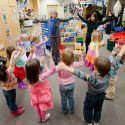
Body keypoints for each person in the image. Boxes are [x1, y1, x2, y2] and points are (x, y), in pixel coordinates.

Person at [58, 45, 125, 125]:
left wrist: (66, 68)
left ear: (96, 68)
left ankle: (88, 121)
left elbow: (79, 73)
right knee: (98, 108)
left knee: (88, 108)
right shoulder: (109, 73)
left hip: (91, 95)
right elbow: (115, 61)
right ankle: (96, 122)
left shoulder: (91, 78)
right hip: (102, 95)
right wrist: (119, 52)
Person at [25, 51, 55, 122]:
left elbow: (26, 63)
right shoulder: (41, 77)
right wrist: (49, 59)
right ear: (38, 69)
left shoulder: (29, 77)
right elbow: (52, 70)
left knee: (37, 107)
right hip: (42, 95)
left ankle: (39, 118)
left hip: (35, 95)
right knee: (42, 107)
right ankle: (44, 118)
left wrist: (31, 54)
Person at [55, 48, 83, 114]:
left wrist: (51, 59)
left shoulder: (60, 65)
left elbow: (52, 70)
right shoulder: (73, 64)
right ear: (72, 58)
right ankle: (71, 110)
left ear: (62, 57)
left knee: (63, 99)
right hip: (71, 84)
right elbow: (81, 63)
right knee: (71, 98)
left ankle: (64, 110)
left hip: (62, 85)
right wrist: (80, 56)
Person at [0, 47, 25, 117]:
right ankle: (14, 111)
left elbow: (11, 63)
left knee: (8, 100)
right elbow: (12, 62)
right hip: (10, 89)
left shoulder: (4, 72)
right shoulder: (8, 72)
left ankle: (13, 107)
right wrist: (13, 55)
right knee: (11, 100)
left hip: (4, 89)